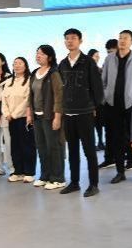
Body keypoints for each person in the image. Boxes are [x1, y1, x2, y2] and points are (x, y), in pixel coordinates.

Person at [59, 29, 104, 197]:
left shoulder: (88, 62)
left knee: (89, 151)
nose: (70, 41)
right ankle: (74, 182)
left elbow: (97, 88)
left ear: (80, 41)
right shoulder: (62, 63)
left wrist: (95, 108)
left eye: (73, 38)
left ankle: (93, 184)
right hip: (68, 113)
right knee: (72, 151)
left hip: (85, 112)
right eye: (67, 39)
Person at [103, 29, 132, 184]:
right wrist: (106, 96)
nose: (122, 40)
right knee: (117, 140)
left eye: (125, 38)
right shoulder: (109, 59)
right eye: (120, 38)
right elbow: (103, 81)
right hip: (113, 106)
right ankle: (120, 172)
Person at [27, 45, 66, 190]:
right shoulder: (34, 73)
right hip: (37, 117)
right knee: (42, 147)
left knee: (54, 147)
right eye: (37, 53)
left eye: (42, 54)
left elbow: (59, 96)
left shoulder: (54, 73)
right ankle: (45, 176)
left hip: (50, 116)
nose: (38, 56)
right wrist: (29, 114)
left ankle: (58, 178)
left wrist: (57, 117)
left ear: (49, 57)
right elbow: (30, 95)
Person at [4, 57, 36, 183]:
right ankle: (18, 171)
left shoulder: (29, 80)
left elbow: (27, 100)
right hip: (11, 119)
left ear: (25, 66)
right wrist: (7, 114)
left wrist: (14, 114)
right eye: (15, 63)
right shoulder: (9, 81)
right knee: (15, 146)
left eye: (20, 63)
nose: (17, 66)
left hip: (24, 118)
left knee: (27, 145)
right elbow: (4, 100)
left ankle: (29, 172)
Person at [88, 48, 106, 152]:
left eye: (98, 55)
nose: (98, 57)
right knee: (91, 124)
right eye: (96, 55)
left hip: (100, 102)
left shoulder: (100, 69)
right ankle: (92, 144)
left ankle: (100, 142)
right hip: (90, 102)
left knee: (99, 123)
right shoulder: (87, 70)